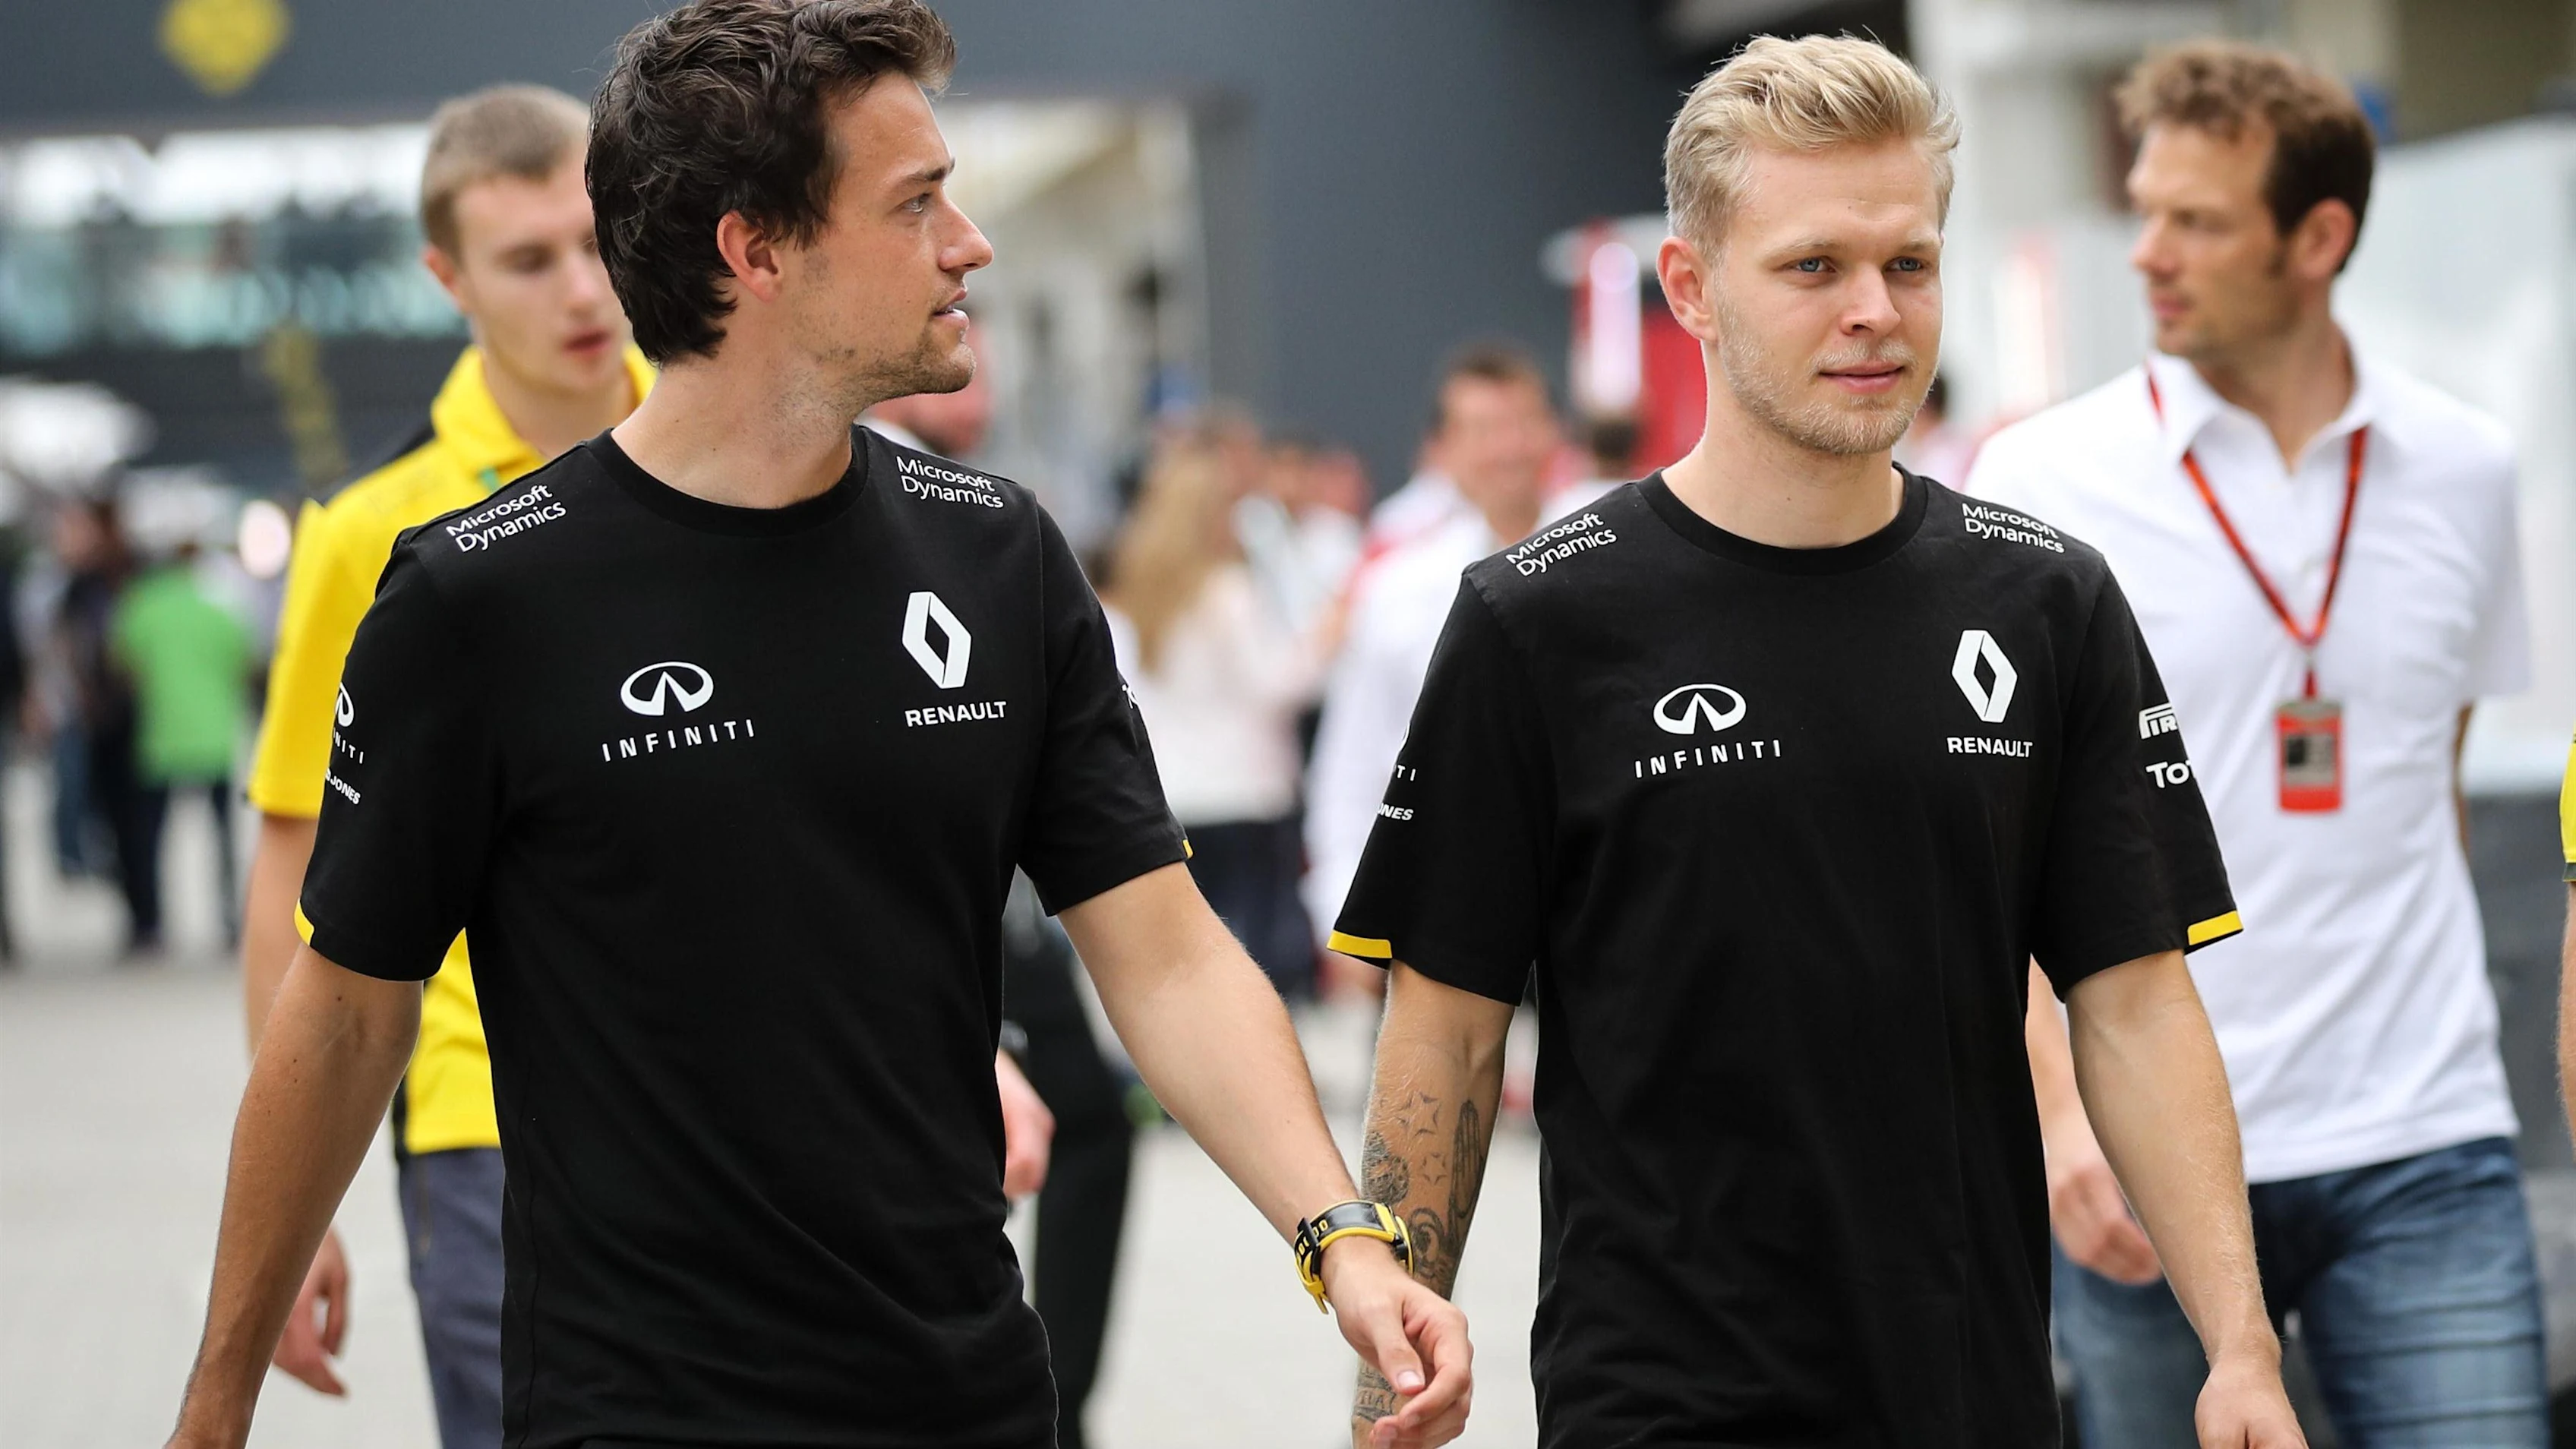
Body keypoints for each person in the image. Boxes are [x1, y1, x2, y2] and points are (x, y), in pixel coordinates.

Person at [166, 7, 1469, 1449]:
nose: (968, 242)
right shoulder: (480, 593)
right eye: (914, 203)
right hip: (633, 1413)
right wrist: (215, 1404)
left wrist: (1340, 1236)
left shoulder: (998, 556)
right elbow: (347, 1009)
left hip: (966, 1398)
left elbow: (1160, 951)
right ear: (755, 248)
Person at [1331, 36, 2303, 1449]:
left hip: (1968, 1391)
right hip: (1657, 1396)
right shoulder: (1535, 619)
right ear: (1691, 290)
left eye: (1908, 265)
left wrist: (2237, 1344)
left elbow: (2136, 1000)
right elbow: (1448, 1030)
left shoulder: (2046, 602)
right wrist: (1389, 1369)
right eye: (1813, 268)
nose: (1875, 312)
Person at [1969, 41, 2543, 1447]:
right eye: (2144, 209)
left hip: (2427, 1136)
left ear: (2318, 237)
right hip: (2147, 1153)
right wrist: (2060, 1116)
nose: (2146, 252)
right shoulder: (2042, 482)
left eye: (2197, 220)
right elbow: (2003, 852)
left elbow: (2432, 787)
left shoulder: (2461, 470)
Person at [226, 84, 652, 1446]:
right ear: (447, 278)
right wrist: (293, 1199)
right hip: (485, 1109)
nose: (583, 287)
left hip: (747, 1083)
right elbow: (295, 856)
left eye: (596, 239)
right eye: (529, 259)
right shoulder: (368, 535)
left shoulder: (749, 456)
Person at [1302, 343, 1559, 951]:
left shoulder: (1617, 558)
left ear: (1553, 432)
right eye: (1483, 429)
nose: (1507, 447)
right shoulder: (1400, 587)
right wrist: (1342, 905)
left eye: (1522, 423)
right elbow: (1357, 760)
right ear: (1443, 451)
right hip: (1450, 905)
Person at [1104, 440, 1329, 998]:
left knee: (1191, 965)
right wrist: (1330, 634)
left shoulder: (1133, 595)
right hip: (1246, 795)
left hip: (1175, 800)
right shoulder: (1228, 591)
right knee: (1258, 964)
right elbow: (1277, 684)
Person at [109, 540, 254, 946]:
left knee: (151, 838)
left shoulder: (142, 605)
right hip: (215, 737)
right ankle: (229, 919)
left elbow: (122, 665)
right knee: (221, 837)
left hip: (161, 737)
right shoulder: (221, 608)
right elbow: (246, 664)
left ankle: (150, 922)